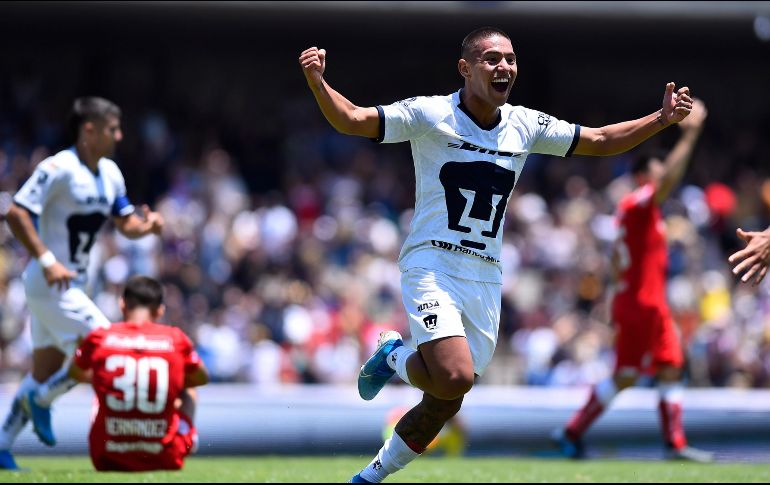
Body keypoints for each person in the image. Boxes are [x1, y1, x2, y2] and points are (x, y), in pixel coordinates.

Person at [300, 26, 696, 483]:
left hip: (485, 276)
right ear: (465, 69)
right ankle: (392, 355)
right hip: (432, 264)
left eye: (510, 58)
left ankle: (367, 478)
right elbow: (352, 118)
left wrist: (661, 120)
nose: (504, 66)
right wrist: (318, 83)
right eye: (491, 59)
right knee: (454, 378)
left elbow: (602, 140)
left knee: (445, 401)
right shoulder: (430, 114)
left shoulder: (525, 124)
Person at [0, 97, 164, 470]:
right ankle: (41, 401)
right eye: (112, 129)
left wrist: (148, 226)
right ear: (89, 130)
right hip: (50, 282)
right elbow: (16, 212)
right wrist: (47, 260)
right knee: (105, 345)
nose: (119, 136)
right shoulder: (57, 167)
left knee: (45, 371)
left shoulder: (110, 173)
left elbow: (126, 223)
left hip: (76, 285)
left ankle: (3, 443)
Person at [551, 99, 712, 462]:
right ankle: (578, 431)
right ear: (644, 175)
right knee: (644, 371)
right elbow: (669, 179)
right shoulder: (640, 203)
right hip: (642, 303)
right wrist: (690, 135)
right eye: (657, 170)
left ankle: (668, 443)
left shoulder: (636, 212)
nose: (664, 175)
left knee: (652, 370)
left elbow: (615, 262)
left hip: (639, 301)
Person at [68, 275, 208, 471]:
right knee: (189, 388)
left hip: (107, 456)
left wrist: (105, 380)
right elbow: (201, 377)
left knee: (99, 391)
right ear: (160, 311)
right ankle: (188, 437)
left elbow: (75, 373)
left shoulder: (100, 337)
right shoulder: (175, 338)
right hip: (165, 456)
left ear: (122, 304)